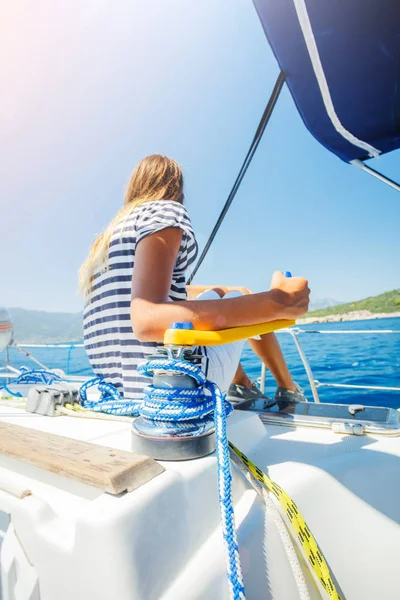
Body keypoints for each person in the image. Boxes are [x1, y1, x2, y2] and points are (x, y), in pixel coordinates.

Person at [79, 155, 310, 405]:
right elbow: (145, 319)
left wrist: (220, 290)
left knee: (219, 294)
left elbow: (140, 293)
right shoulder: (164, 213)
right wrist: (277, 302)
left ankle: (243, 386)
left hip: (119, 391)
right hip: (171, 389)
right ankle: (287, 388)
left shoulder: (104, 242)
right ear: (175, 186)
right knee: (236, 297)